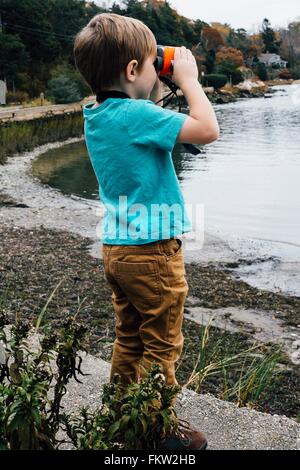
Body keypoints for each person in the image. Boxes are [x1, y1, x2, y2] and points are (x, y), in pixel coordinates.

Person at [73, 12, 219, 450]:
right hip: (153, 253)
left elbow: (136, 111)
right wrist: (189, 80)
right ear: (133, 70)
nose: (162, 69)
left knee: (129, 337)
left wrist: (156, 73)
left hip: (116, 249)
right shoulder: (138, 115)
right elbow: (207, 129)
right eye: (153, 63)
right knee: (162, 344)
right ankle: (156, 429)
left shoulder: (96, 114)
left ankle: (120, 412)